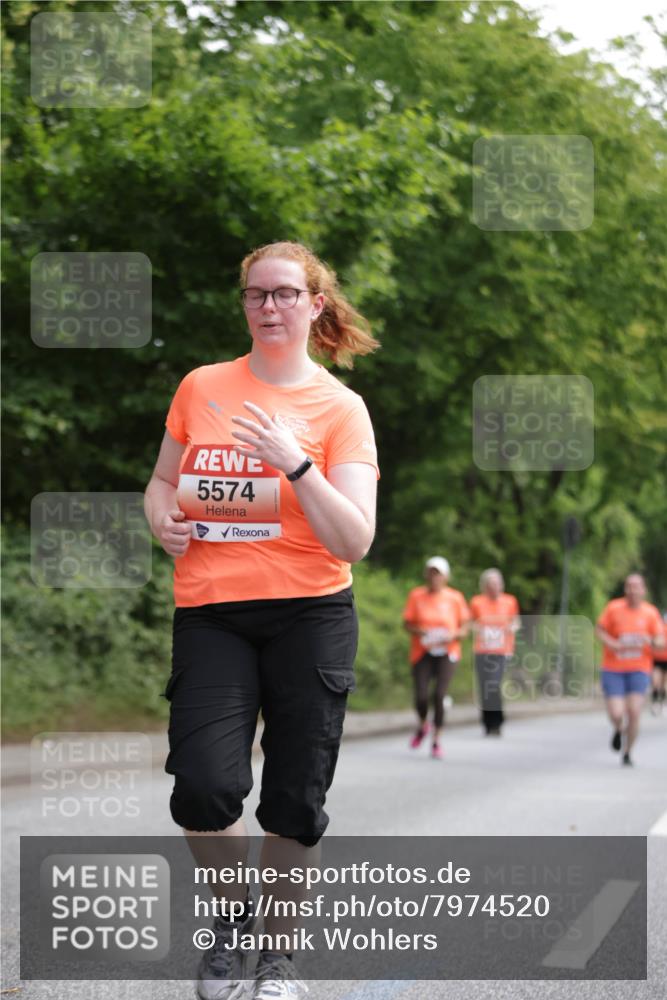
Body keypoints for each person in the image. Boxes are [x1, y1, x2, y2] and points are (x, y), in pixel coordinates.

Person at [144, 240, 380, 1000]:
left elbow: (354, 539)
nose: (268, 307)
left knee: (292, 799)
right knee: (204, 790)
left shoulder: (340, 410)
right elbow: (160, 482)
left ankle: (277, 959)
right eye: (255, 294)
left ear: (315, 305)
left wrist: (296, 464)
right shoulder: (202, 386)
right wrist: (162, 524)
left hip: (311, 614)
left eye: (284, 294)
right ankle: (234, 922)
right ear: (244, 303)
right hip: (213, 612)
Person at [402, 557, 470, 759]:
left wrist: (453, 635)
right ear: (426, 575)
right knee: (421, 696)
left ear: (446, 577)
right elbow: (406, 624)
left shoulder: (455, 598)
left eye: (438, 573)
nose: (434, 577)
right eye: (431, 572)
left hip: (448, 651)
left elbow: (466, 627)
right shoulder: (417, 596)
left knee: (439, 694)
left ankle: (436, 740)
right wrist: (419, 631)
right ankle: (424, 725)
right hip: (422, 650)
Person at [595, 574, 665, 766]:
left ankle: (627, 752)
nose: (632, 590)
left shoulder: (650, 613)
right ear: (625, 589)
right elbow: (599, 630)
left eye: (636, 587)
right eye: (629, 586)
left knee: (634, 712)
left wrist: (649, 641)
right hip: (613, 668)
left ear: (644, 590)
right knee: (617, 713)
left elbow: (660, 641)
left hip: (639, 668)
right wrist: (613, 644)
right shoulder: (613, 608)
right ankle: (618, 729)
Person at [469, 569, 520, 736]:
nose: (494, 587)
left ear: (502, 585)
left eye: (497, 584)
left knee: (494, 683)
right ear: (484, 586)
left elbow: (516, 621)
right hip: (482, 650)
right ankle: (487, 722)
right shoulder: (477, 602)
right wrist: (481, 630)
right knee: (484, 686)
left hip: (501, 650)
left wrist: (510, 628)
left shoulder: (510, 601)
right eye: (490, 584)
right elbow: (470, 623)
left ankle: (498, 720)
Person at [650, 610, 667, 714]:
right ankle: (655, 703)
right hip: (657, 659)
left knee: (665, 684)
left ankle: (664, 703)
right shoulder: (658, 628)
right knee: (656, 682)